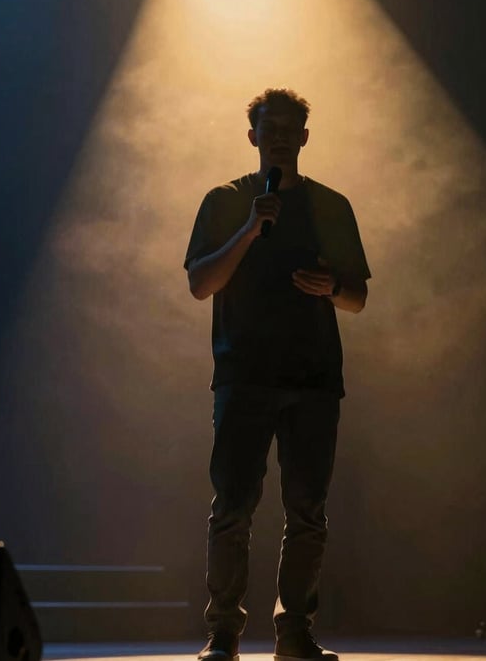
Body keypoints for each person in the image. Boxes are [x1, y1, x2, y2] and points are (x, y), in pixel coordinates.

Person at [184, 87, 371, 661]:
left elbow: (357, 297)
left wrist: (331, 287)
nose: (281, 139)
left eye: (291, 131)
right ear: (253, 137)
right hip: (244, 375)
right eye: (271, 130)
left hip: (313, 378)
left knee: (307, 511)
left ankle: (294, 633)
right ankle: (224, 634)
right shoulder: (224, 200)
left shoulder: (331, 206)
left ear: (305, 139)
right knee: (233, 506)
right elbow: (200, 284)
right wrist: (248, 230)